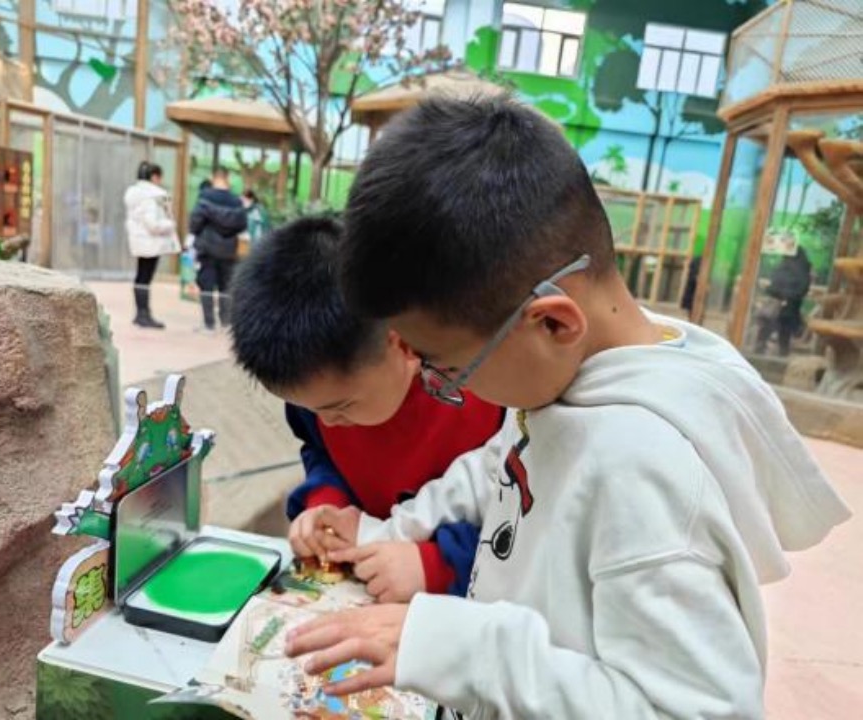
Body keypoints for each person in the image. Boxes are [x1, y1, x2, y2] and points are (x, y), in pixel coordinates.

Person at [283, 96, 851, 717]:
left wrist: (462, 650)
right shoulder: (567, 381)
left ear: (553, 322)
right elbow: (495, 468)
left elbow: (696, 710)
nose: (444, 386)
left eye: (448, 368)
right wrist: (383, 531)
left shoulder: (643, 471)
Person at [229, 217, 503, 601]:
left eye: (341, 407)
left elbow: (533, 521)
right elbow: (320, 451)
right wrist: (325, 503)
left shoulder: (493, 391)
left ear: (402, 344)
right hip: (368, 574)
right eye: (309, 409)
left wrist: (443, 565)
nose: (327, 422)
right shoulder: (321, 397)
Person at [189, 167, 246, 331]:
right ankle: (225, 321)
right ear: (227, 178)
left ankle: (209, 323)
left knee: (206, 284)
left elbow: (195, 221)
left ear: (213, 178)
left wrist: (196, 232)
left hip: (207, 247)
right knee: (225, 286)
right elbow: (242, 224)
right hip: (228, 249)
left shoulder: (205, 197)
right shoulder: (236, 201)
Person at [124, 162, 179, 329]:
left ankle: (140, 313)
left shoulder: (133, 193)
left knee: (141, 276)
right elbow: (153, 223)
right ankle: (143, 315)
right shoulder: (155, 195)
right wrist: (170, 225)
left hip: (139, 241)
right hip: (152, 242)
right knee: (145, 278)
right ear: (154, 177)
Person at [755, 246, 812, 357]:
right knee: (784, 332)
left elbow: (775, 285)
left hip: (783, 305)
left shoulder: (785, 267)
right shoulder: (803, 268)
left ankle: (761, 349)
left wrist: (777, 292)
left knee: (769, 327)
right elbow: (802, 289)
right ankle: (781, 353)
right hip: (790, 306)